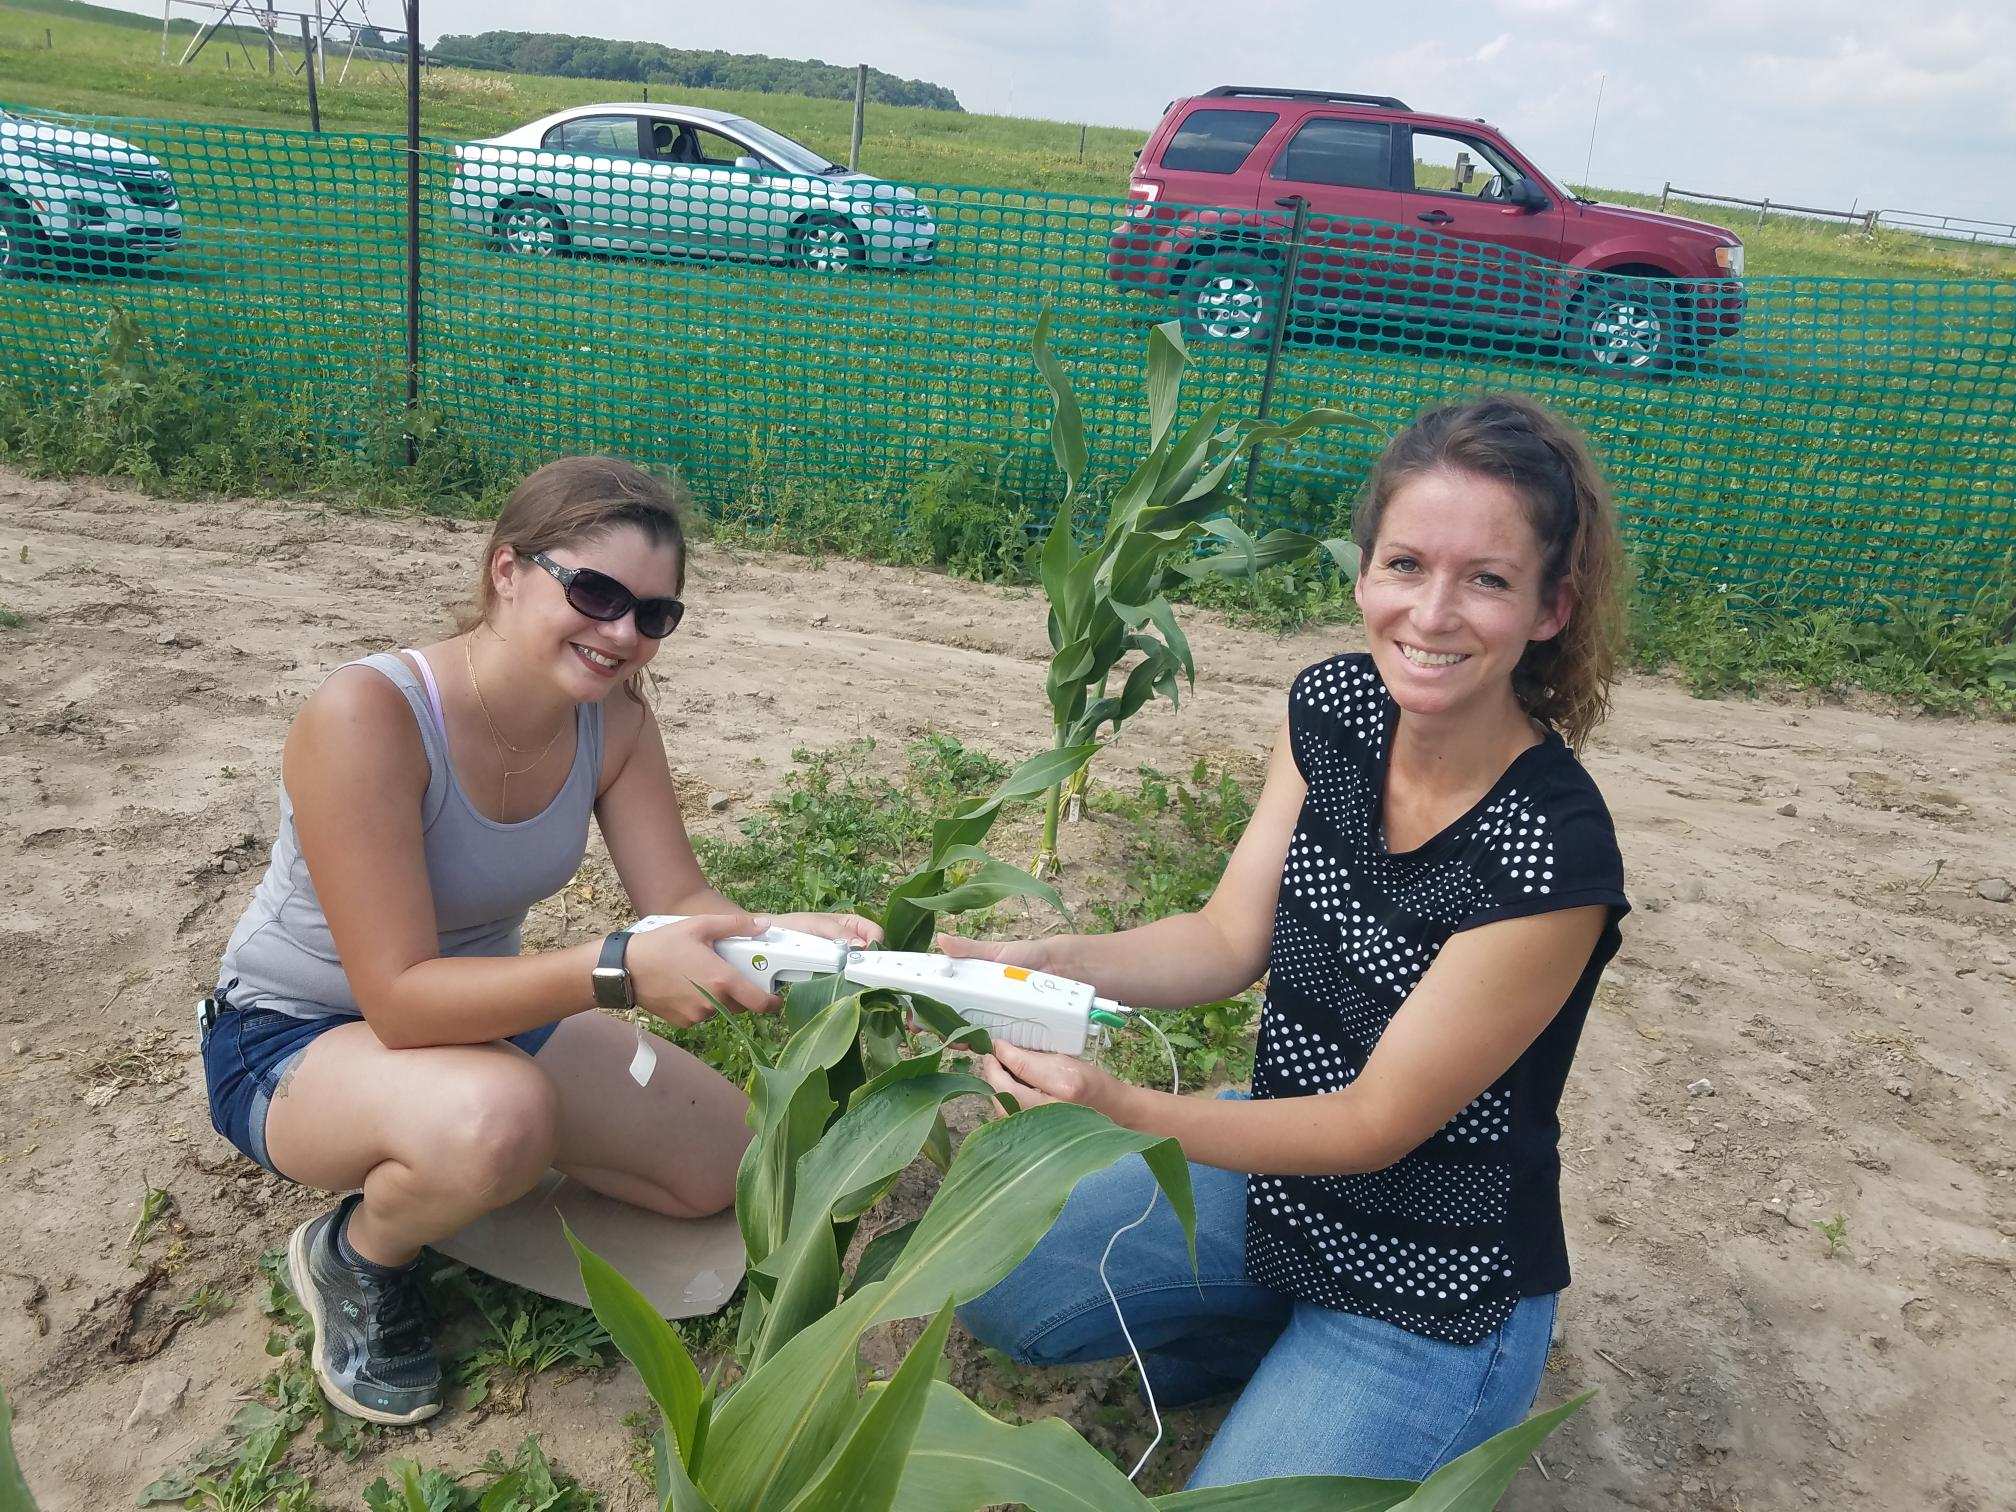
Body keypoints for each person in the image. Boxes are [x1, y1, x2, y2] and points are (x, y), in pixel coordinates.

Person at [952, 394, 1630, 1488]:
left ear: (1550, 609)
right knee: (1002, 1288)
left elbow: (1373, 1124)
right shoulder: (1334, 709)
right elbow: (1226, 937)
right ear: (1363, 574)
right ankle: (1264, 1334)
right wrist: (1052, 963)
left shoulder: (1551, 855)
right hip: (1274, 1180)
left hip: (1429, 1281)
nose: (1434, 611)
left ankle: (1422, 1386)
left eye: (1488, 579)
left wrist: (1115, 1111)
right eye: (1406, 564)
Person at [199, 457, 878, 1426]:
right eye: (595, 593)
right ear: (507, 569)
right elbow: (394, 997)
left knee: (722, 1166)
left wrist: (785, 939)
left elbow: (676, 900)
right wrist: (613, 972)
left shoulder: (612, 720)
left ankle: (467, 1168)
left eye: (654, 614)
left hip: (482, 1019)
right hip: (296, 1036)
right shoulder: (369, 714)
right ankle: (359, 1253)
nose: (621, 633)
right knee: (495, 1121)